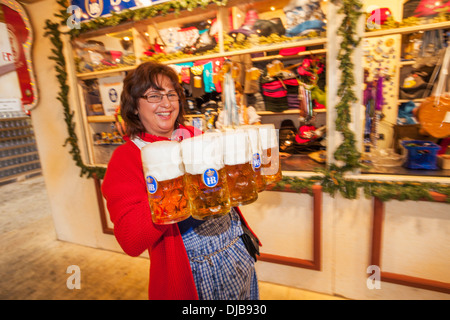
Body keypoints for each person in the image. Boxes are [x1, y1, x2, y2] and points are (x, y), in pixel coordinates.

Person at [101, 61, 260, 300]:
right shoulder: (126, 158)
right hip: (197, 272)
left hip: (237, 249)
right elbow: (130, 241)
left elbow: (224, 191)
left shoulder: (196, 137)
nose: (166, 103)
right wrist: (171, 192)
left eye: (171, 94)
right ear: (134, 106)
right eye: (154, 95)